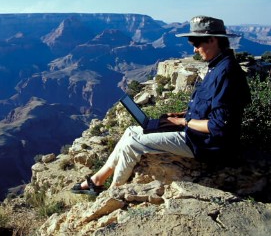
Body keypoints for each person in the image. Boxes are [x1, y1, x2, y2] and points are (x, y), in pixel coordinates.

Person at [71, 15, 251, 196]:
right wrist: (181, 114)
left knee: (133, 143)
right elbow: (210, 108)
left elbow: (218, 126)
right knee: (131, 131)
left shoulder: (227, 73)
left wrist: (183, 122)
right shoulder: (216, 67)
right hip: (195, 135)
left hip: (205, 144)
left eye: (196, 43)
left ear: (212, 40)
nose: (195, 50)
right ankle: (97, 179)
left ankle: (112, 193)